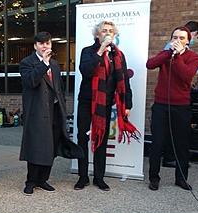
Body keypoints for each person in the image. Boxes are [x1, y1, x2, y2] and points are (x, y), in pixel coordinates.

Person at [75, 21, 138, 191]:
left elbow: (124, 80)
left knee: (101, 137)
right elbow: (86, 71)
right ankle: (82, 177)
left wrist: (127, 104)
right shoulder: (88, 51)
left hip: (106, 103)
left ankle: (99, 177)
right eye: (104, 31)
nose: (108, 33)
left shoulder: (118, 55)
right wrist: (100, 50)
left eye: (111, 31)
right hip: (87, 101)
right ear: (97, 35)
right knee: (83, 137)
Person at [19, 32, 83, 195]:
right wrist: (44, 63)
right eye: (41, 44)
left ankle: (43, 179)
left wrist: (62, 106)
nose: (45, 46)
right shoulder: (27, 63)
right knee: (36, 146)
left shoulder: (55, 64)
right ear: (35, 46)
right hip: (37, 111)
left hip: (55, 110)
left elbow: (57, 87)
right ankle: (31, 181)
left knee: (51, 146)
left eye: (47, 43)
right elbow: (31, 81)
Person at [145, 26, 198, 191]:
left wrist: (179, 56)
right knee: (157, 143)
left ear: (188, 41)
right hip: (161, 105)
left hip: (181, 107)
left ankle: (181, 178)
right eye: (175, 37)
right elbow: (150, 64)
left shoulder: (193, 57)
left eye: (181, 38)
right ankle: (154, 178)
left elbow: (186, 76)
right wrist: (168, 53)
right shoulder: (166, 54)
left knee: (181, 144)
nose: (177, 40)